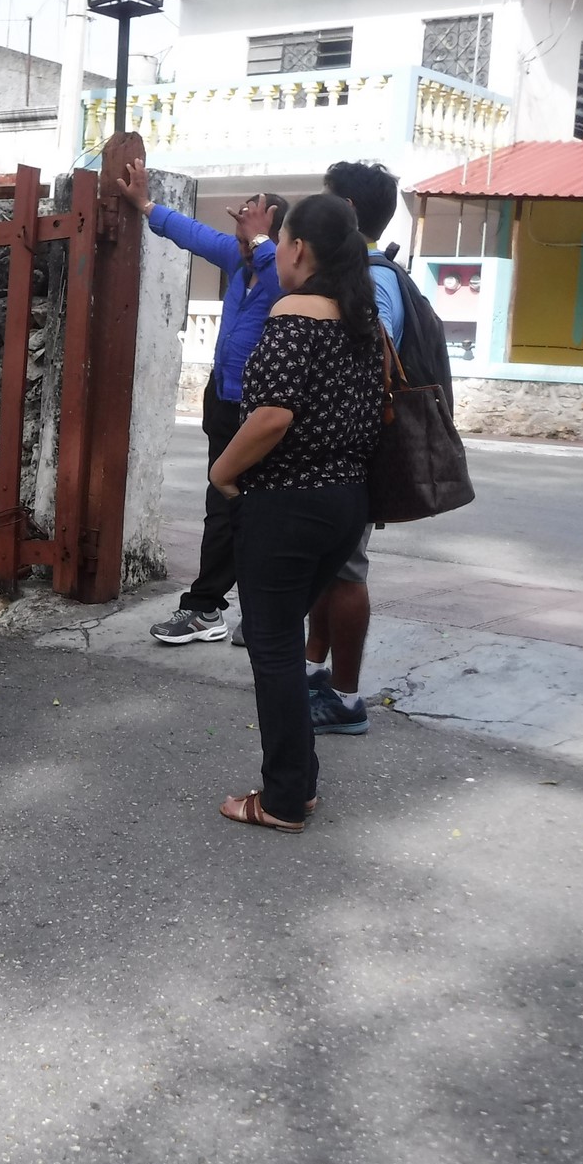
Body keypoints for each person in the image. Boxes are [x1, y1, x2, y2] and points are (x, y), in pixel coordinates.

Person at [208, 194, 384, 831]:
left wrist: (222, 472)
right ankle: (298, 780)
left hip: (288, 505)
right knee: (281, 636)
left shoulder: (294, 315)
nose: (277, 251)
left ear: (299, 248)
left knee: (274, 646)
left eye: (280, 241)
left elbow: (273, 415)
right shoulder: (360, 317)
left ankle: (285, 798)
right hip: (346, 504)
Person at [116, 160, 288, 646]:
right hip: (223, 402)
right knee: (223, 507)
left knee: (264, 512)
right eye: (239, 226)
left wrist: (261, 241)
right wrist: (145, 204)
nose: (239, 235)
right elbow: (192, 234)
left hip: (262, 411)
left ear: (275, 234)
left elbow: (282, 280)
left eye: (250, 227)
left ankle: (256, 613)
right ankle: (207, 608)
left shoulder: (285, 272)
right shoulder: (239, 259)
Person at [306, 160, 408, 735]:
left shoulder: (373, 278)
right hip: (342, 447)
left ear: (344, 211)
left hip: (353, 448)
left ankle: (346, 700)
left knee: (345, 570)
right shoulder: (356, 272)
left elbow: (376, 352)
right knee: (330, 566)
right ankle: (314, 671)